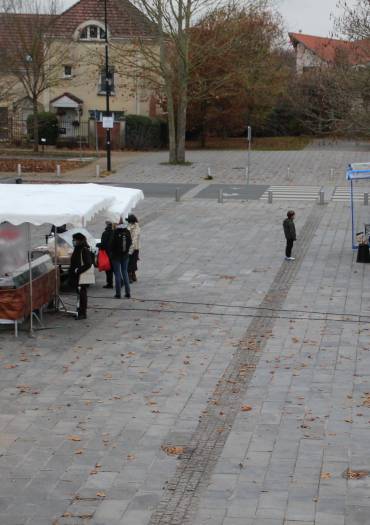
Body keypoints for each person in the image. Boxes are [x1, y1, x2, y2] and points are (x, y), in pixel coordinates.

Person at [69, 232, 94, 320]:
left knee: (82, 294)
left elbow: (88, 263)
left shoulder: (84, 249)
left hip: (81, 275)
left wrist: (78, 270)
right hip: (77, 275)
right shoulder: (77, 248)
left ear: (79, 240)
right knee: (79, 294)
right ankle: (79, 310)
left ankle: (82, 313)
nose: (73, 241)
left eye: (74, 240)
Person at [111, 219, 132, 299]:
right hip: (125, 255)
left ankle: (118, 293)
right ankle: (128, 292)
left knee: (117, 273)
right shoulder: (127, 232)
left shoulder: (115, 232)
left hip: (116, 256)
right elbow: (130, 242)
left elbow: (111, 245)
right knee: (125, 272)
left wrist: (112, 252)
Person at [100, 221, 114, 288]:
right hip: (113, 253)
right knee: (115, 269)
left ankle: (109, 283)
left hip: (107, 253)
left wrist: (98, 245)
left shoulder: (105, 233)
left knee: (108, 270)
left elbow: (103, 244)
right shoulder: (114, 232)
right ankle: (121, 281)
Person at [127, 214, 140, 283]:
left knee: (131, 262)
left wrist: (130, 251)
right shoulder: (130, 226)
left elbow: (134, 240)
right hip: (132, 247)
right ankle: (133, 275)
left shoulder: (136, 228)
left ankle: (130, 276)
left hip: (134, 248)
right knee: (132, 262)